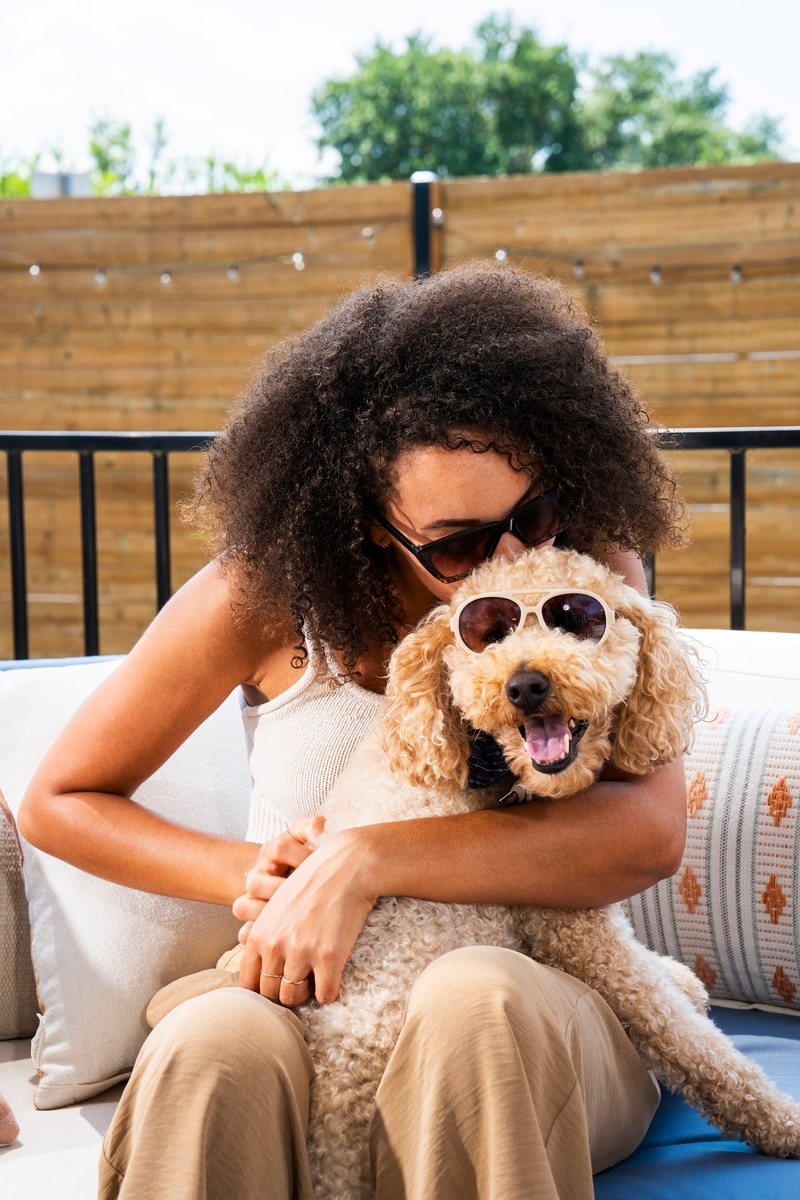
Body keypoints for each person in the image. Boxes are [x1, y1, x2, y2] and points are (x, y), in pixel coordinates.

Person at [18, 263, 689, 1200]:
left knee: (474, 1000)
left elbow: (648, 830)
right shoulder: (268, 594)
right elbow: (61, 799)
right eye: (458, 542)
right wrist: (261, 877)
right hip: (318, 995)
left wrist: (364, 861)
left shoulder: (586, 575)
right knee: (211, 1047)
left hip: (539, 999)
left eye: (532, 514)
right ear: (373, 524)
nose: (511, 556)